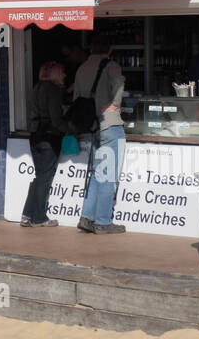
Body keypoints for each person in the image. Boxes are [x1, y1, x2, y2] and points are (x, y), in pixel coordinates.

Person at [75, 34, 126, 234]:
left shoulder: (81, 68)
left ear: (91, 49)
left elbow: (77, 98)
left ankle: (87, 217)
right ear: (109, 49)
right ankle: (104, 221)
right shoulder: (111, 66)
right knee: (108, 174)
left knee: (96, 173)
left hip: (92, 127)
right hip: (110, 125)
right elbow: (120, 85)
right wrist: (115, 104)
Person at [20, 61, 67, 228]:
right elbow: (56, 119)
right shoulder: (53, 91)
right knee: (44, 177)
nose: (64, 75)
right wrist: (70, 130)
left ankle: (27, 215)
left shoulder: (36, 88)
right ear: (53, 74)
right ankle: (39, 217)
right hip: (49, 137)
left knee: (39, 176)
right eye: (61, 72)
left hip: (35, 135)